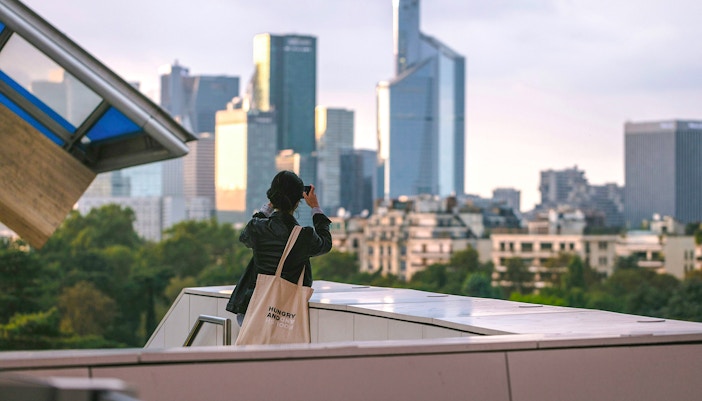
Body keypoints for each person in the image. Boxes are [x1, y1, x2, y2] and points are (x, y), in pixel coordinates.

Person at [235, 170, 332, 326]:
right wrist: (315, 208)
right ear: (297, 202)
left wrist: (269, 206)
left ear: (272, 197)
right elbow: (325, 244)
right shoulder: (303, 235)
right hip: (284, 315)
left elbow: (244, 237)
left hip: (252, 308)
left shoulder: (257, 227)